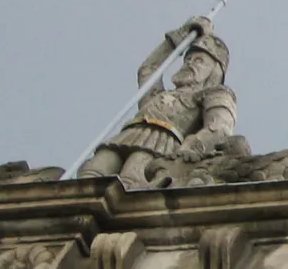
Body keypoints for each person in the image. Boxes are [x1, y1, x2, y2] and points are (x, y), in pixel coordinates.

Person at [78, 17, 236, 187]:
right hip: (130, 133)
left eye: (199, 60)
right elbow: (149, 70)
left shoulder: (214, 94)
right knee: (92, 173)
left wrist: (191, 148)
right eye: (188, 59)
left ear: (214, 70)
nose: (189, 64)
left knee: (130, 183)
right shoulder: (159, 95)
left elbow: (219, 128)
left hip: (161, 143)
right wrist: (179, 37)